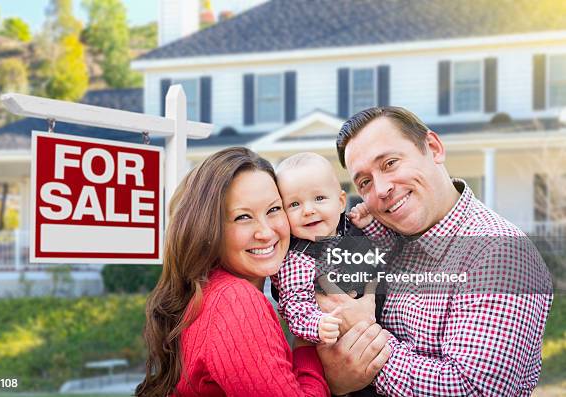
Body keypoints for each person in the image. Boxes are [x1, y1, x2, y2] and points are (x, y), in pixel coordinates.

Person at [315, 106, 553, 396]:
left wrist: (362, 339)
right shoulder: (378, 236)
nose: (381, 189)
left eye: (390, 163)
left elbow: (471, 390)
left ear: (433, 148)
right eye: (364, 181)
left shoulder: (500, 254)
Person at [135, 147, 391, 396]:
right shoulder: (236, 301)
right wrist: (321, 365)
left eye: (273, 209)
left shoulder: (212, 290)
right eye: (243, 217)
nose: (266, 232)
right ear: (208, 228)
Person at [271, 152, 379, 345]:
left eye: (319, 198)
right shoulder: (298, 259)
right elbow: (294, 306)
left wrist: (367, 225)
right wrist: (317, 324)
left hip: (378, 320)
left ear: (340, 202)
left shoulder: (349, 229)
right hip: (338, 338)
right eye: (294, 204)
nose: (308, 210)